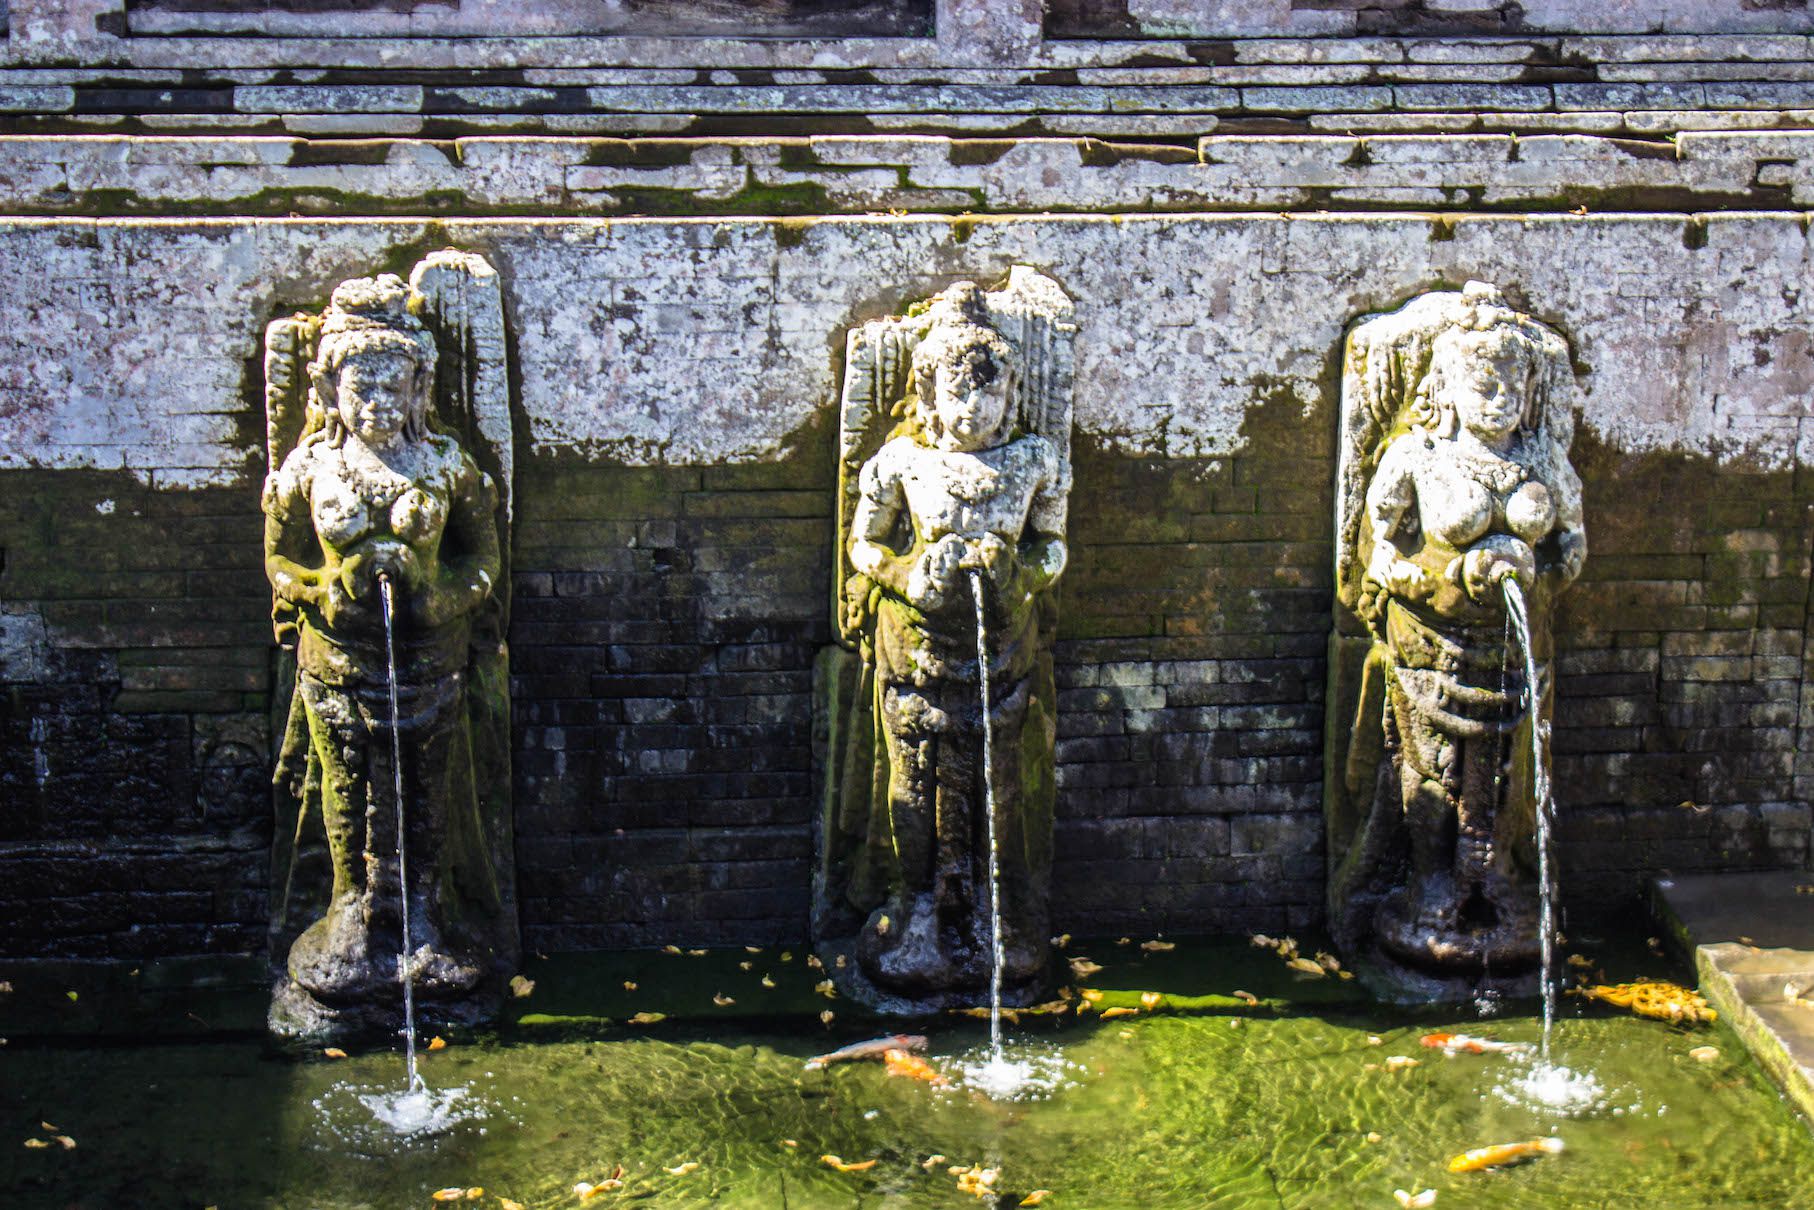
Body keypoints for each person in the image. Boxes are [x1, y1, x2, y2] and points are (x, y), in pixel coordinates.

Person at [264, 274, 502, 1004]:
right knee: (344, 785)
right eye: (359, 388)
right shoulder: (309, 468)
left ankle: (423, 912)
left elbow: (483, 557)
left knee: (428, 787)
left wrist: (441, 599)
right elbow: (278, 559)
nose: (375, 405)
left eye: (392, 389)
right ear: (327, 388)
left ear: (419, 389)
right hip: (337, 663)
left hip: (430, 660)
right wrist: (317, 592)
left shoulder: (445, 466)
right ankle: (349, 906)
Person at [839, 284, 1069, 998]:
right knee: (913, 780)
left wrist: (1021, 574)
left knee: (999, 780)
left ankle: (991, 908)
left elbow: (1053, 546)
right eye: (959, 392)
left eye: (990, 394)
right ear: (930, 393)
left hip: (1002, 648)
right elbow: (862, 545)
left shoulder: (1035, 461)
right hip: (918, 649)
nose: (975, 408)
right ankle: (916, 906)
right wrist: (905, 575)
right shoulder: (902, 463)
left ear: (1012, 395)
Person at [1360, 315, 1585, 971]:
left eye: (1514, 387)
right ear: (1449, 388)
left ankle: (1501, 875)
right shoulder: (1417, 457)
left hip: (1519, 645)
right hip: (1436, 645)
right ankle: (1431, 882)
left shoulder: (1541, 459)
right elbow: (1379, 551)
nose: (1500, 401)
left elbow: (1572, 546)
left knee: (1514, 770)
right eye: (1485, 386)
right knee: (1431, 767)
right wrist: (1442, 578)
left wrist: (1539, 573)